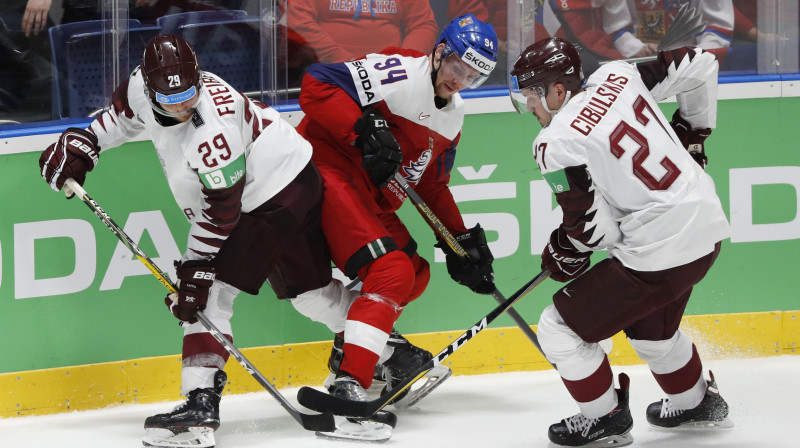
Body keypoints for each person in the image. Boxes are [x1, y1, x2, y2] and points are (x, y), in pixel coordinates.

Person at [37, 33, 370, 448]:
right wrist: (87, 142)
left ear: (198, 77)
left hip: (269, 195)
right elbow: (122, 118)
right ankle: (382, 344)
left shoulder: (213, 134)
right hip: (291, 172)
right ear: (148, 84)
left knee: (206, 295)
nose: (180, 105)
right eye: (168, 98)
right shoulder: (141, 85)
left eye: (190, 94)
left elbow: (222, 212)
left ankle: (199, 406)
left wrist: (195, 270)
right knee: (310, 294)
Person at [509, 37, 731, 446]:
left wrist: (565, 250)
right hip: (707, 227)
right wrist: (694, 133)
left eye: (531, 96)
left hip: (659, 251)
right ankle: (695, 401)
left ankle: (604, 417)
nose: (530, 108)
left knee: (558, 329)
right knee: (652, 329)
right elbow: (701, 63)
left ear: (558, 90)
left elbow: (594, 231)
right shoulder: (619, 75)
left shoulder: (554, 143)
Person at [295, 13, 499, 408]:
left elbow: (431, 184)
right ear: (441, 51)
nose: (460, 81)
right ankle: (350, 382)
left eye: (472, 76)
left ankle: (353, 349)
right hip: (326, 168)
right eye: (458, 66)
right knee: (391, 270)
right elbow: (316, 83)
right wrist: (363, 127)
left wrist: (459, 241)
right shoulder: (402, 72)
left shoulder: (453, 118)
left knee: (415, 274)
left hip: (365, 190)